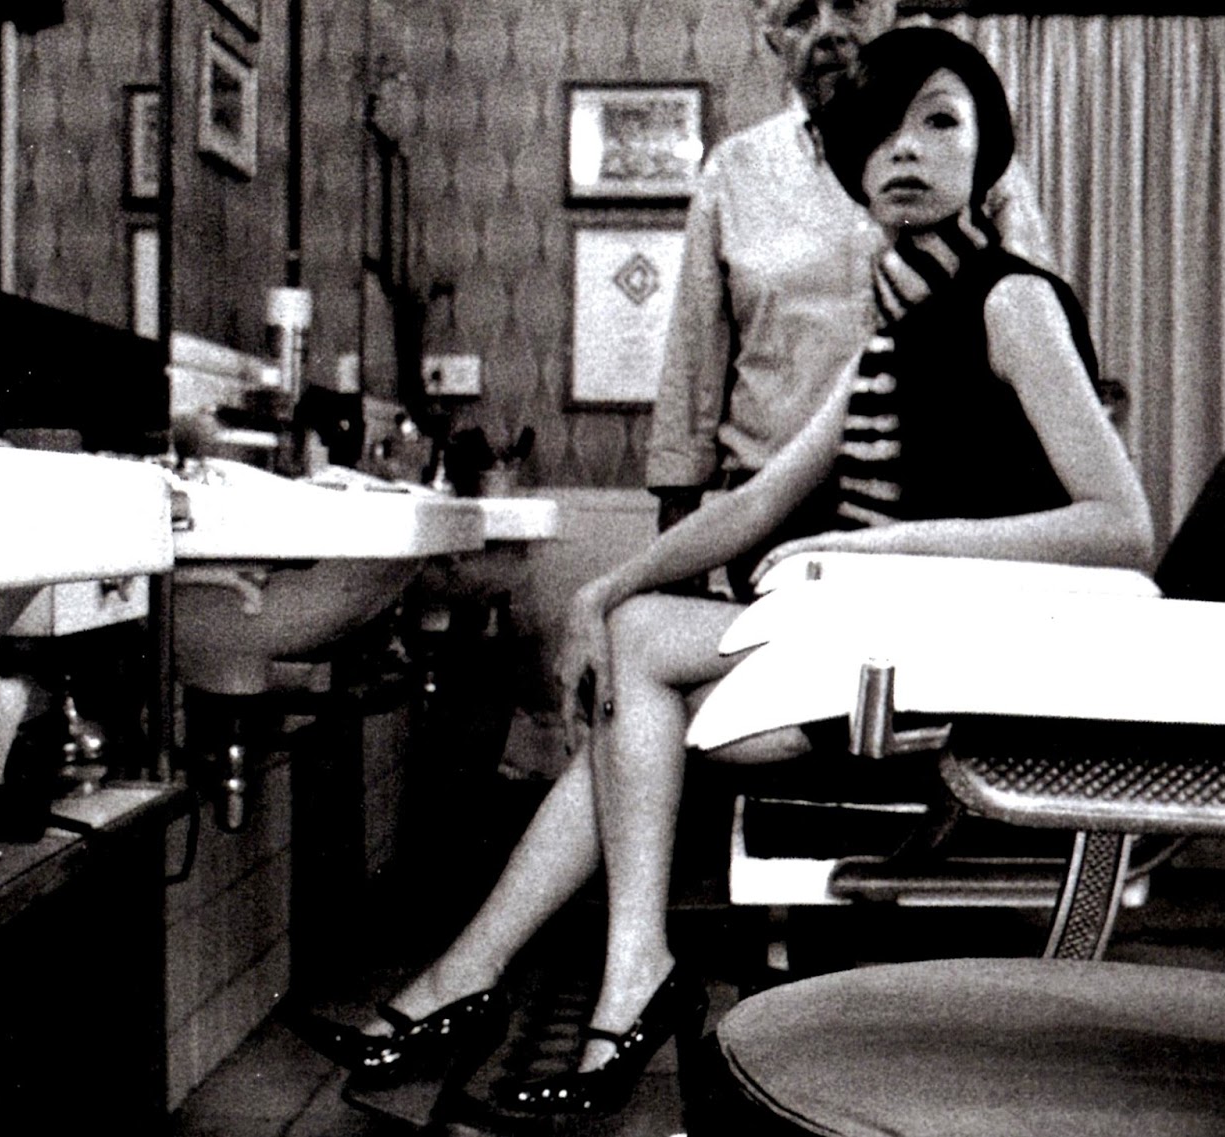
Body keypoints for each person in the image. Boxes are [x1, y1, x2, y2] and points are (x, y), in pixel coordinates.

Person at [322, 27, 1153, 1120]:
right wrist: (602, 585)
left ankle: (576, 976)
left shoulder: (1011, 300)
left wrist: (868, 550)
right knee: (633, 689)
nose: (904, 150)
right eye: (877, 133)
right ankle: (505, 975)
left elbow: (1122, 527)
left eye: (939, 122)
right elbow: (755, 505)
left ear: (989, 154)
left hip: (971, 674)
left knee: (638, 668)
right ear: (850, 168)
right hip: (895, 654)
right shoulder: (897, 330)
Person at [647, 0, 1057, 588]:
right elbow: (694, 354)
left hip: (943, 510)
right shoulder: (734, 171)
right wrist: (677, 512)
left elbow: (1040, 325)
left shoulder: (967, 163)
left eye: (848, 7)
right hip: (775, 511)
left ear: (887, 15)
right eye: (800, 17)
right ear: (771, 37)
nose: (829, 34)